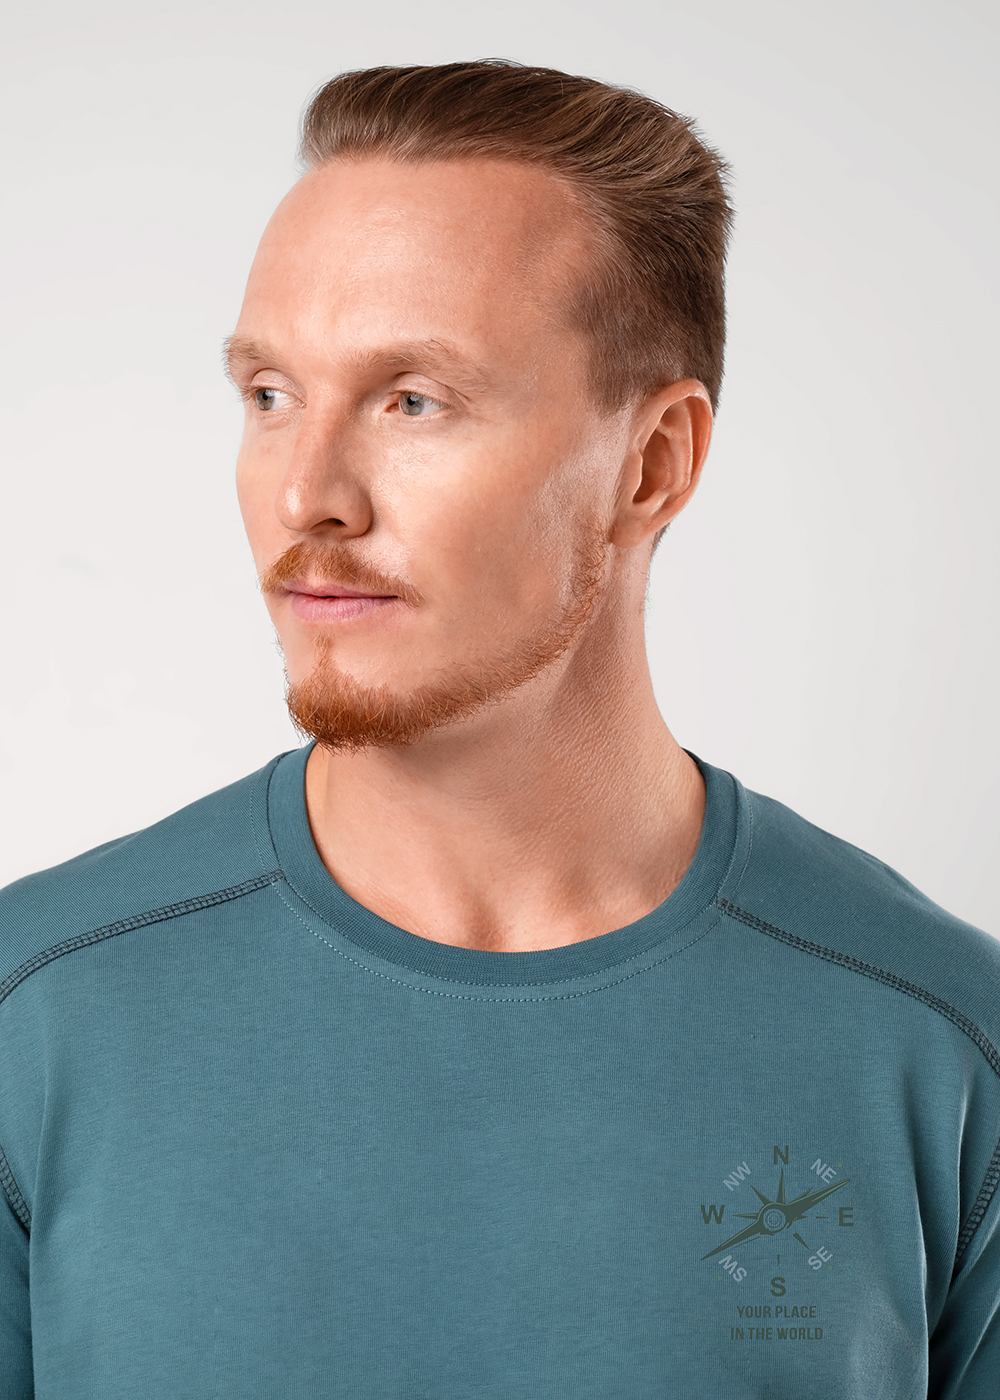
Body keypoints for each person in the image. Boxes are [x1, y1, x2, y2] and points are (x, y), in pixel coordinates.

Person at [0, 59, 996, 1400]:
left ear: (653, 463)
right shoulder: (35, 1015)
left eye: (413, 399)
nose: (308, 495)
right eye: (270, 394)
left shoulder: (941, 1046)